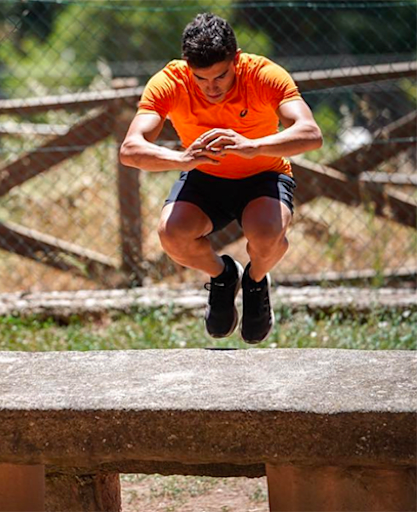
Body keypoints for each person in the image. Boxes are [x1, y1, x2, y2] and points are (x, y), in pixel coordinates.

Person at [119, 12, 322, 343]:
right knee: (171, 234)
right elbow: (130, 149)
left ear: (236, 60)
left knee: (268, 233)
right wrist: (182, 158)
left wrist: (253, 147)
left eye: (220, 77)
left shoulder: (263, 74)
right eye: (201, 79)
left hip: (263, 174)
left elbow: (311, 133)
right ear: (188, 66)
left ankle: (256, 280)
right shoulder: (170, 81)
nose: (211, 88)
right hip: (204, 176)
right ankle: (224, 275)